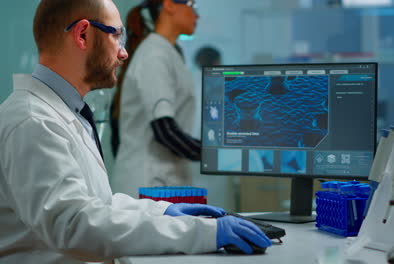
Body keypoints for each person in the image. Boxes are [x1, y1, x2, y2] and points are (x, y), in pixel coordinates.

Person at [0, 0, 272, 263]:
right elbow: (74, 224)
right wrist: (202, 233)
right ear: (83, 34)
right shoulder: (33, 121)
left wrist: (165, 211)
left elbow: (96, 203)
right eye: (117, 36)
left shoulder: (63, 113)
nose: (124, 52)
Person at [111, 0, 204, 197]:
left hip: (162, 181)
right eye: (192, 5)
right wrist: (215, 155)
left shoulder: (167, 52)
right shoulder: (154, 54)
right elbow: (165, 130)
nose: (197, 15)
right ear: (169, 5)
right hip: (149, 182)